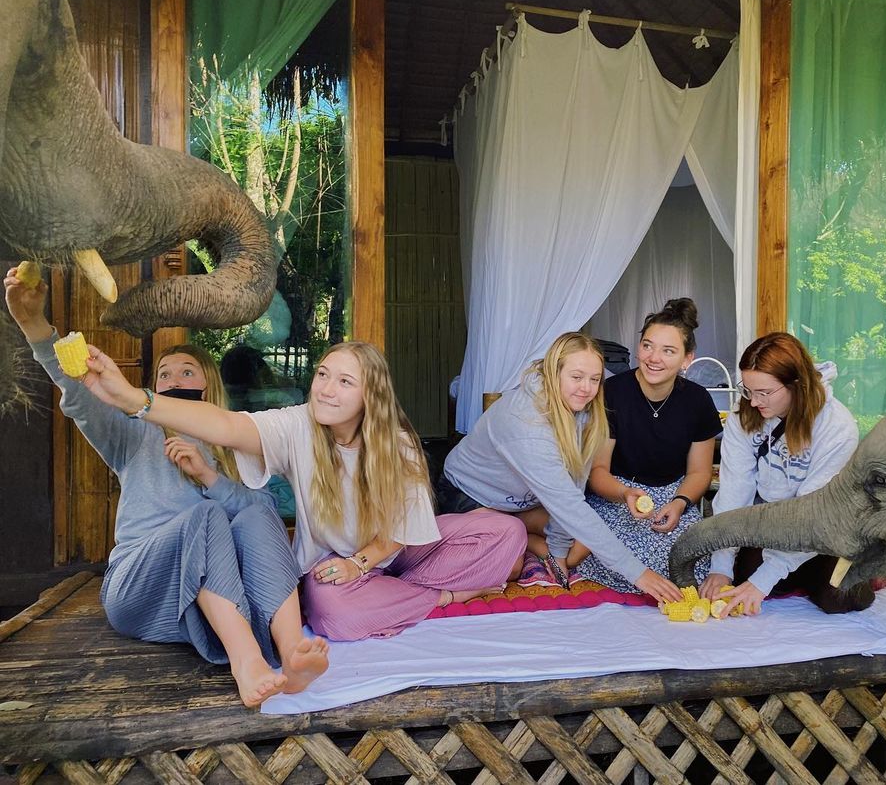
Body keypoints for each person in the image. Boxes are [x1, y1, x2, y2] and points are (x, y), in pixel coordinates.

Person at [66, 331, 527, 642]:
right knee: (333, 615)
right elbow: (226, 425)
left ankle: (390, 593)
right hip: (330, 567)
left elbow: (401, 531)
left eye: (344, 381)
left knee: (507, 532)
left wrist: (361, 565)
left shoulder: (397, 444)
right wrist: (136, 400)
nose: (326, 389)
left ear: (370, 395)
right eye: (323, 374)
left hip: (393, 552)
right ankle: (443, 596)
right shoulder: (298, 426)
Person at [4, 267, 328, 709]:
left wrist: (209, 475)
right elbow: (77, 393)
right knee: (204, 515)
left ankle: (291, 652)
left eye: (187, 371)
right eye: (164, 374)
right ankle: (247, 660)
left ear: (208, 385)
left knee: (257, 511)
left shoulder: (234, 441)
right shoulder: (134, 433)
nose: (174, 379)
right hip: (140, 588)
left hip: (218, 603)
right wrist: (34, 324)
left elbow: (264, 518)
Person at [437, 332, 684, 603]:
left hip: (521, 503)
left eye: (594, 379)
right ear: (554, 373)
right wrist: (639, 574)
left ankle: (519, 534)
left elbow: (574, 485)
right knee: (510, 565)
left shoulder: (582, 408)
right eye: (576, 377)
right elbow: (568, 505)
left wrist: (557, 552)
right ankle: (518, 536)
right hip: (468, 495)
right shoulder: (526, 424)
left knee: (581, 544)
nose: (586, 388)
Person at [698, 332, 874, 616]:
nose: (753, 402)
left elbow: (814, 514)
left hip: (824, 529)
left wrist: (764, 581)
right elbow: (734, 492)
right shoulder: (745, 413)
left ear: (796, 385)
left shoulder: (837, 427)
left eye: (764, 393)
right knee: (744, 573)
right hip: (774, 526)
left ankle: (832, 568)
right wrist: (721, 567)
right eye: (748, 390)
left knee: (837, 597)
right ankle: (793, 571)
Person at [574, 299, 720, 592]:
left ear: (687, 359)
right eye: (647, 346)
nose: (654, 358)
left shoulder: (698, 400)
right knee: (617, 557)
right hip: (617, 494)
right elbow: (598, 471)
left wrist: (680, 503)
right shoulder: (612, 392)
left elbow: (699, 472)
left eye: (668, 351)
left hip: (674, 495)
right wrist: (625, 493)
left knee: (691, 559)